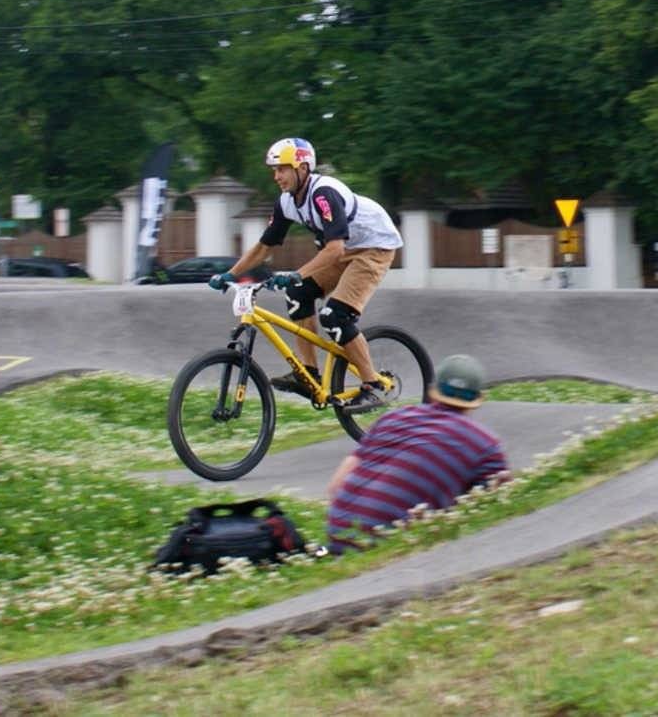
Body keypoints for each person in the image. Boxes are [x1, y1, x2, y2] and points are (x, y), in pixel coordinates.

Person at [208, 138, 403, 414]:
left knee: (335, 316)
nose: (276, 176)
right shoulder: (286, 202)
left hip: (374, 247)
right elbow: (265, 247)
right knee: (298, 294)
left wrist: (296, 273)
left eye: (282, 169)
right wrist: (230, 274)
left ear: (302, 168)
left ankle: (372, 385)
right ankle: (309, 375)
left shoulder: (323, 194)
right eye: (274, 170)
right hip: (342, 248)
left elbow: (334, 249)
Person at [324, 354, 510, 554]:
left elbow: (335, 486)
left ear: (434, 390)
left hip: (338, 532)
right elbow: (494, 511)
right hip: (388, 543)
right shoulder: (484, 445)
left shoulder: (393, 417)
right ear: (478, 399)